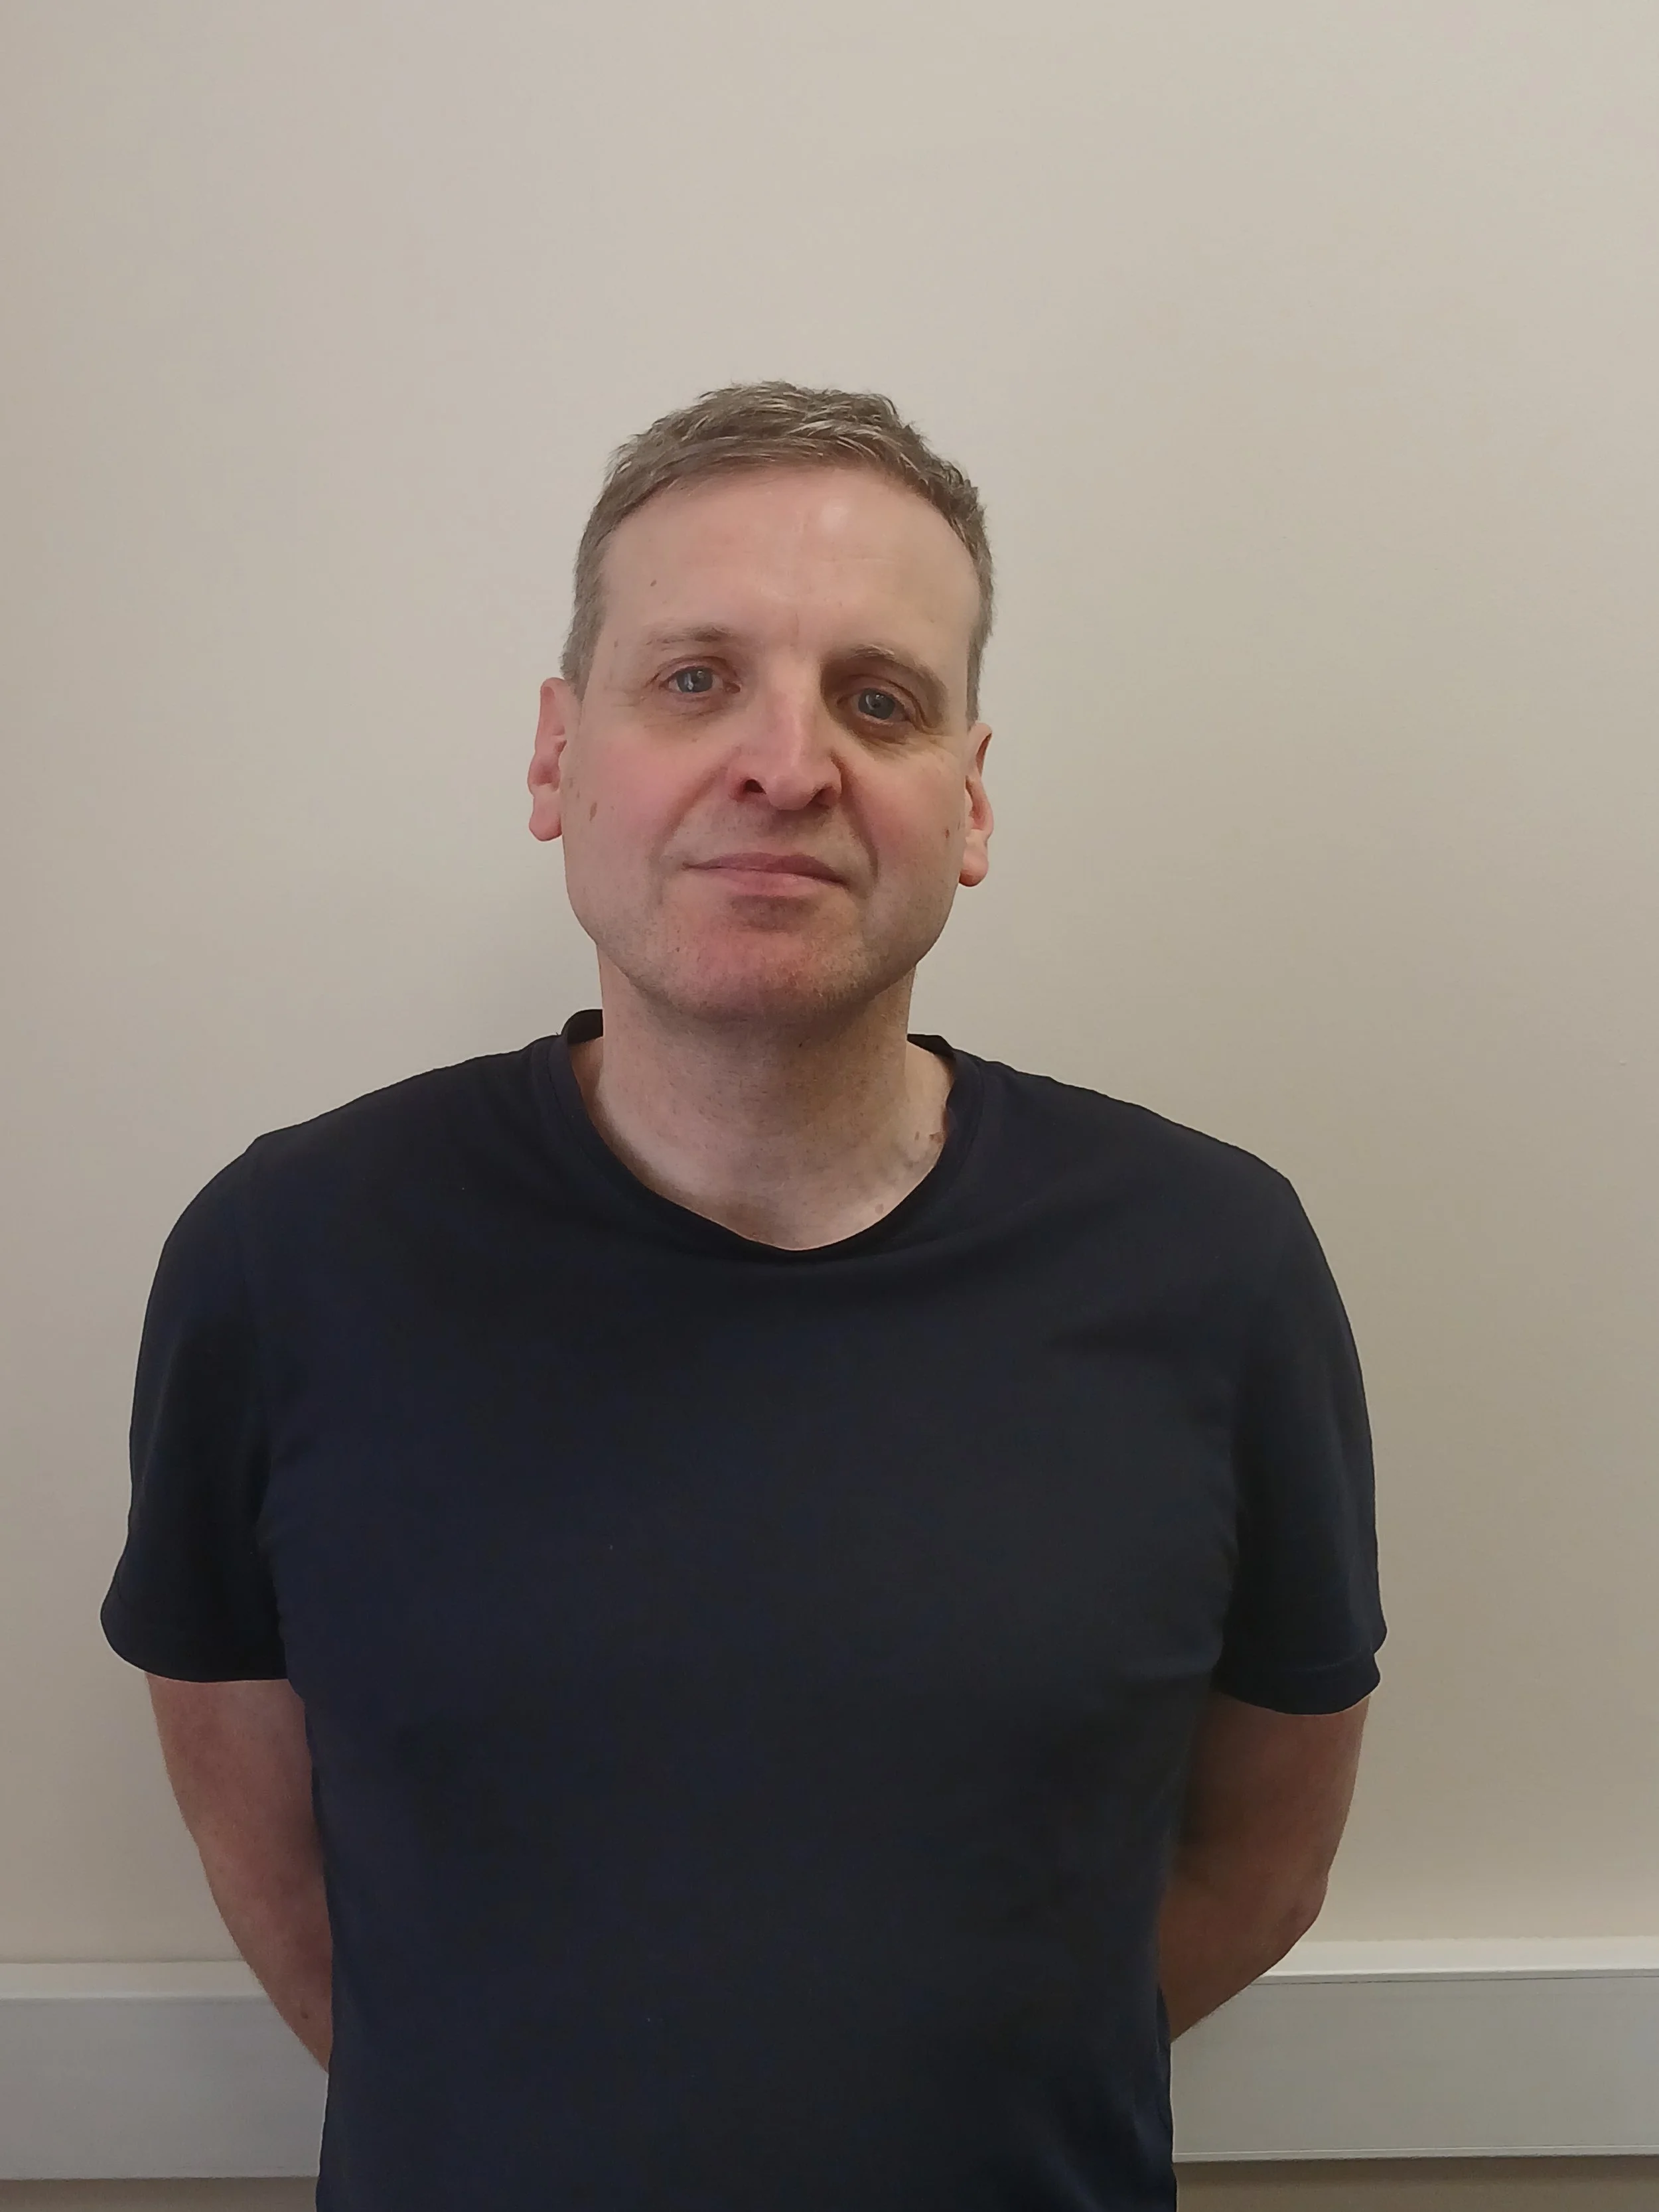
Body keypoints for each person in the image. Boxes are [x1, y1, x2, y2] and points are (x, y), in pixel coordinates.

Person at [101, 381, 1385, 2211]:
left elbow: (1253, 1869)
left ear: (969, 800)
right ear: (558, 756)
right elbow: (296, 1890)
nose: (788, 763)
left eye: (879, 698)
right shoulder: (288, 1256)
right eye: (695, 678)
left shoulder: (1212, 1262)